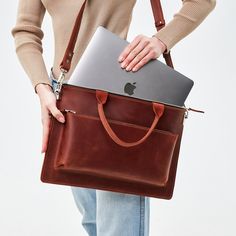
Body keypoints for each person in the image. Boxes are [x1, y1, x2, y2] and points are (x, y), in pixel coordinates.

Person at [11, 0, 216, 235]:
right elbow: (25, 30)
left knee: (118, 227)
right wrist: (41, 87)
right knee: (93, 221)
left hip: (116, 96)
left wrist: (162, 40)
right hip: (65, 102)